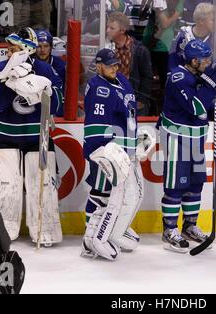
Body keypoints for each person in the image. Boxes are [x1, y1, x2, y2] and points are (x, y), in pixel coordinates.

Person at [0, 27, 64, 246]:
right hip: (4, 137)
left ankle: (44, 229)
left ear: (27, 49)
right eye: (9, 47)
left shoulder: (46, 70)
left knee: (43, 184)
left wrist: (39, 90)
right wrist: (10, 79)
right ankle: (4, 230)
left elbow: (56, 104)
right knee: (6, 186)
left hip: (38, 136)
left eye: (15, 47)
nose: (9, 50)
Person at [158, 39, 216, 253]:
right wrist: (211, 83)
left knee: (195, 183)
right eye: (205, 59)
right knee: (176, 186)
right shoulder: (178, 77)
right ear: (193, 60)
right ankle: (169, 229)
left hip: (198, 137)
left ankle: (189, 225)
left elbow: (206, 108)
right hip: (177, 136)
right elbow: (195, 106)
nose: (208, 62)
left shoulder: (199, 75)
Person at [81, 48, 152, 261]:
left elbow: (127, 116)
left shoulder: (121, 81)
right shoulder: (98, 88)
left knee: (131, 194)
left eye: (116, 64)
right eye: (109, 65)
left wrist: (135, 141)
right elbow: (96, 126)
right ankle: (89, 239)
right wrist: (101, 152)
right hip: (107, 150)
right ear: (99, 65)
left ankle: (112, 232)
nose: (114, 68)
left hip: (123, 149)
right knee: (102, 195)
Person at [106, 11, 153, 116]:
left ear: (122, 30)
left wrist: (141, 101)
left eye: (112, 28)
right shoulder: (107, 48)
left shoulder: (140, 50)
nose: (107, 30)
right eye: (107, 27)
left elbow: (147, 77)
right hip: (113, 100)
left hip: (134, 101)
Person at [169, 2, 216, 71]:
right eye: (213, 20)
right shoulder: (183, 36)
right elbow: (172, 62)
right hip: (185, 78)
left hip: (208, 80)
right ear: (201, 21)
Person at [35, 29, 67, 116]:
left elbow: (63, 92)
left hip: (55, 110)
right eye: (39, 46)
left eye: (46, 46)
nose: (42, 50)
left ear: (51, 47)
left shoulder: (61, 66)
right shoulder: (28, 64)